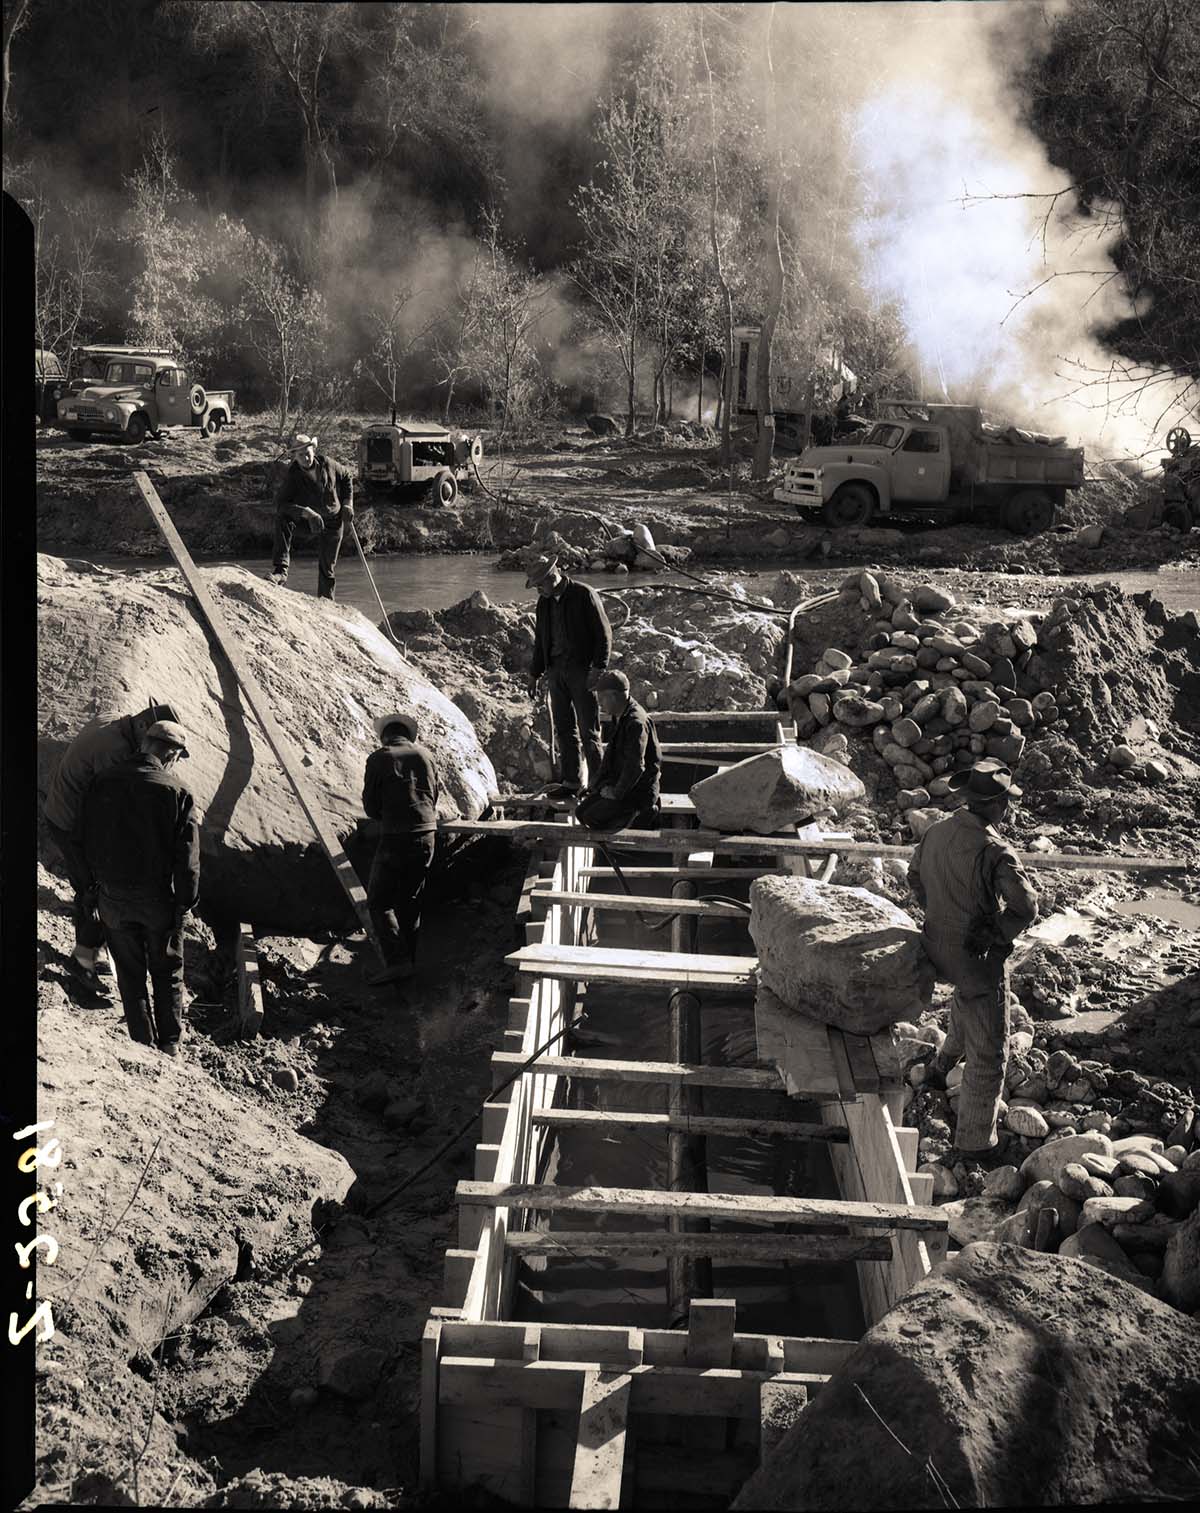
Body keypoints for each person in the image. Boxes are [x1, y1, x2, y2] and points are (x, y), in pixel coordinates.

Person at [907, 761, 1039, 1167]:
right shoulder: (995, 851)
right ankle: (975, 1142)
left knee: (969, 996)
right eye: (1007, 803)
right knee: (990, 1053)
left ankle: (942, 1063)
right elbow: (1027, 907)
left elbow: (914, 879)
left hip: (935, 948)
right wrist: (994, 932)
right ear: (995, 806)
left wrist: (941, 914)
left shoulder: (935, 831)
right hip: (974, 959)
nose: (1010, 810)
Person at [42, 699, 181, 994]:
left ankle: (96, 950)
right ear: (142, 727)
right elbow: (112, 809)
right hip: (71, 822)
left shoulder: (116, 719)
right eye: (153, 742)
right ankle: (82, 961)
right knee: (93, 888)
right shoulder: (115, 754)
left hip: (67, 811)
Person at [82, 720, 200, 1057]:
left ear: (145, 744)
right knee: (166, 971)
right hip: (157, 902)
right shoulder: (177, 791)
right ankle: (171, 1045)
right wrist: (185, 903)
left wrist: (93, 888)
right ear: (171, 754)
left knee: (130, 974)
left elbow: (84, 837)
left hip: (113, 898)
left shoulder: (102, 781)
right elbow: (188, 859)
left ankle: (142, 1043)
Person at [362, 711, 441, 986]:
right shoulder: (426, 756)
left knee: (379, 902)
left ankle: (397, 963)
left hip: (396, 837)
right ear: (408, 735)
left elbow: (371, 808)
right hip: (427, 835)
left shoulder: (378, 759)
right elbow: (435, 795)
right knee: (411, 900)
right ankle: (411, 962)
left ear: (385, 736)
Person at [526, 554, 612, 797]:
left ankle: (598, 785)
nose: (538, 590)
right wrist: (534, 674)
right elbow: (541, 641)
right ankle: (572, 783)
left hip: (582, 670)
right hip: (555, 671)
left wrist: (598, 670)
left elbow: (603, 635)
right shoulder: (544, 603)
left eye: (540, 584)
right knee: (564, 729)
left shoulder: (584, 594)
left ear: (553, 576)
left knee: (589, 730)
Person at [270, 432, 355, 600]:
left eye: (307, 454)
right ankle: (280, 572)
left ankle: (326, 604)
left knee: (327, 569)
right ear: (295, 457)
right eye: (300, 455)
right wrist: (306, 512)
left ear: (313, 451)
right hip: (309, 522)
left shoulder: (328, 464)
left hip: (333, 521)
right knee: (282, 519)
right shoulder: (292, 476)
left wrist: (348, 503)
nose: (305, 458)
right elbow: (281, 505)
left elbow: (346, 477)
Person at [576, 671, 662, 832]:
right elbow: (610, 756)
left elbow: (635, 766)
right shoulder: (620, 715)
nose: (600, 704)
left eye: (601, 698)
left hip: (639, 790)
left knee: (592, 817)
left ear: (613, 696)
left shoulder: (636, 722)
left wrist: (616, 793)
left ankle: (642, 814)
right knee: (580, 812)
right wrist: (594, 784)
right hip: (623, 783)